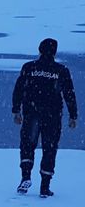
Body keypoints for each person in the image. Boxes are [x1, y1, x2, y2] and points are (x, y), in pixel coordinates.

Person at [12, 38, 77, 198]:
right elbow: (69, 94)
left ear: (40, 50)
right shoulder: (61, 70)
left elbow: (18, 89)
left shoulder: (29, 67)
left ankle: (26, 177)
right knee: (50, 148)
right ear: (54, 52)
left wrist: (16, 110)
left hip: (32, 112)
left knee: (27, 145)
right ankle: (45, 187)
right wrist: (73, 115)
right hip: (53, 116)